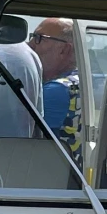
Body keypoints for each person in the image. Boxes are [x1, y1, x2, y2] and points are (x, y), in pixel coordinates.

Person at [28, 17, 81, 145]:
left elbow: (22, 137)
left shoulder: (56, 90)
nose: (30, 45)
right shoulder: (78, 81)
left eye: (39, 38)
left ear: (64, 49)